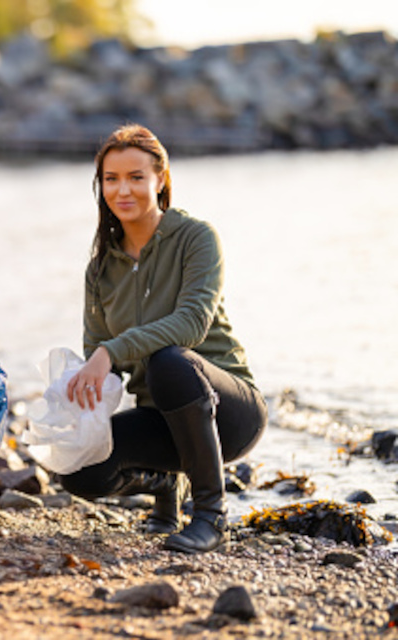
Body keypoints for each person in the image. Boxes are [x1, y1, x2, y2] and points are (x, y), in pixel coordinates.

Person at [61, 124, 267, 554]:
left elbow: (192, 323)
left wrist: (109, 351)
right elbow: (98, 352)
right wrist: (73, 397)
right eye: (111, 179)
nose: (123, 190)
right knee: (76, 468)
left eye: (136, 177)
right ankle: (164, 482)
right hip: (162, 422)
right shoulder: (100, 269)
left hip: (227, 412)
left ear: (160, 180)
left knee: (169, 361)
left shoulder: (196, 238)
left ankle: (211, 515)